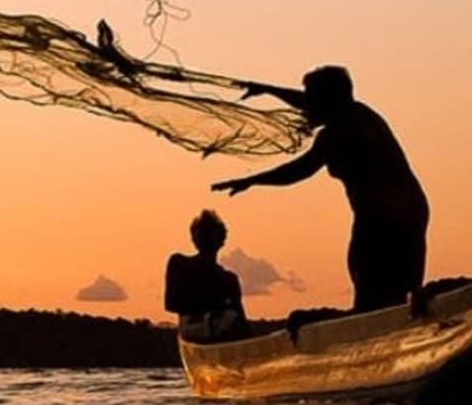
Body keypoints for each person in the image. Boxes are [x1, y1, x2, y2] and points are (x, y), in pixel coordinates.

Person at [212, 66, 429, 312]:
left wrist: (250, 180)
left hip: (383, 221)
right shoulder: (360, 113)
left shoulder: (337, 133)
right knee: (399, 291)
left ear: (327, 100)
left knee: (372, 293)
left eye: (313, 98)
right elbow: (305, 102)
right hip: (410, 211)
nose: (306, 107)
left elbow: (300, 169)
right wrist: (268, 90)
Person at [164, 210, 250, 342]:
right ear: (194, 238)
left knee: (232, 320)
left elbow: (241, 319)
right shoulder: (180, 263)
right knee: (224, 320)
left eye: (210, 233)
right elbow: (171, 303)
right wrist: (211, 312)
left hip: (222, 326)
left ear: (221, 240)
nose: (206, 238)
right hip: (193, 325)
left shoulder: (228, 279)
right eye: (203, 233)